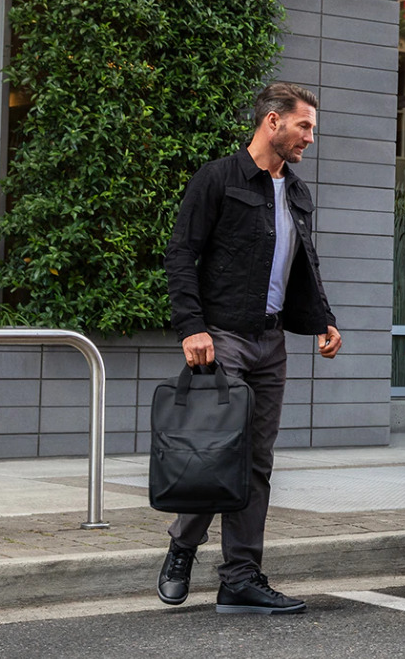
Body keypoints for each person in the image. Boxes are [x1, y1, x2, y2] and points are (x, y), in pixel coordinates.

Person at [156, 82, 342, 614]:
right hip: (222, 338)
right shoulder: (219, 178)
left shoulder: (298, 193)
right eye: (304, 126)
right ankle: (184, 545)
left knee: (256, 461)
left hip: (271, 340)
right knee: (219, 452)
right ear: (272, 122)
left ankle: (240, 576)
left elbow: (306, 264)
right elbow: (180, 254)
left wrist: (324, 319)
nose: (310, 137)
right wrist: (192, 326)